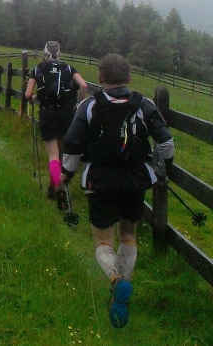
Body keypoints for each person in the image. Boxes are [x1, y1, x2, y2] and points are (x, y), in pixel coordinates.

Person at [60, 53, 174, 329]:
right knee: (129, 235)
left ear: (100, 78)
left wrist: (67, 174)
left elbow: (72, 145)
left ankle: (115, 280)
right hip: (135, 179)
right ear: (129, 77)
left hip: (100, 180)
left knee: (103, 241)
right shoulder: (144, 105)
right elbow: (166, 143)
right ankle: (122, 291)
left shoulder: (89, 106)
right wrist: (162, 169)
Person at [25, 41, 87, 209]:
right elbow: (83, 85)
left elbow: (28, 94)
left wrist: (33, 99)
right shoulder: (68, 68)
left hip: (47, 113)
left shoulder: (37, 69)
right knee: (62, 154)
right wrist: (80, 105)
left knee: (53, 156)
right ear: (60, 53)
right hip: (66, 114)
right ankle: (56, 187)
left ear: (44, 53)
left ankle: (57, 187)